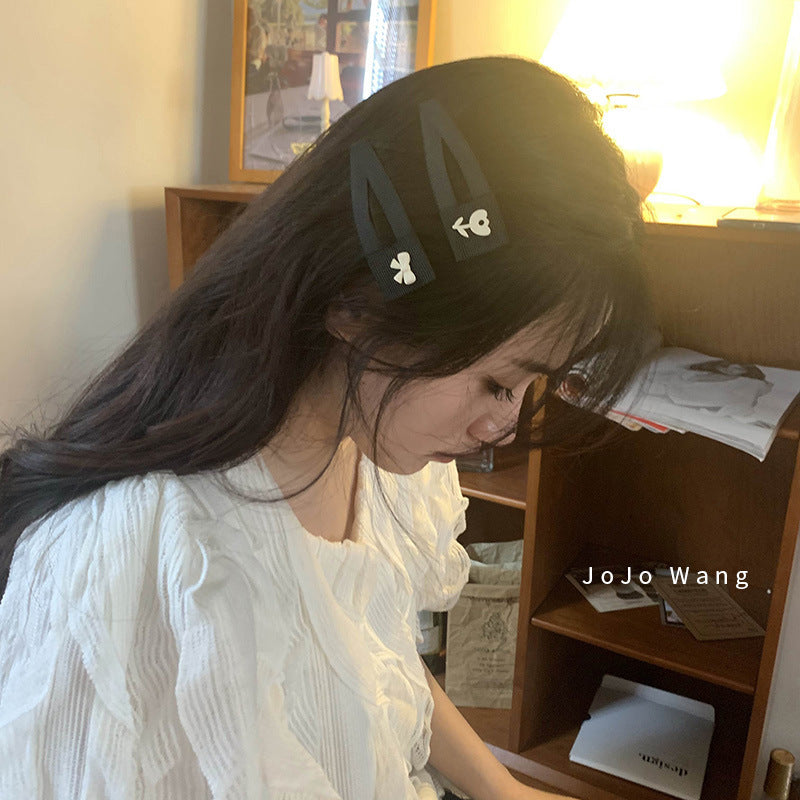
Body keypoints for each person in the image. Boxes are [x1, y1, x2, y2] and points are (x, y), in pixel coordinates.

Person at [0, 56, 652, 799]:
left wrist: (505, 790)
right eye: (499, 382)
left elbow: (372, 666)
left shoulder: (374, 449)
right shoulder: (139, 567)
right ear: (355, 304)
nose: (503, 427)